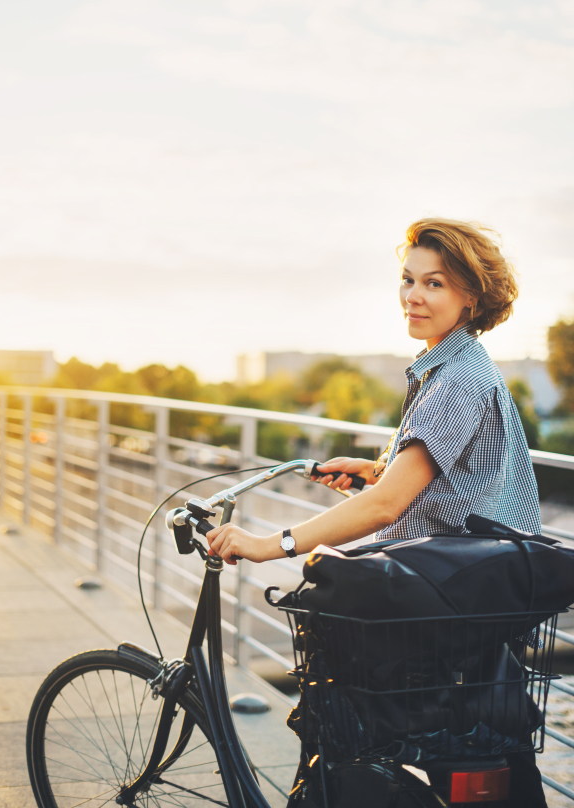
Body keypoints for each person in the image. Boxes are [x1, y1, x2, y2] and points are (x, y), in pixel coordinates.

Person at [207, 216, 546, 807]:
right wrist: (379, 473)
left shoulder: (458, 378)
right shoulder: (454, 367)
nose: (414, 296)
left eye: (435, 284)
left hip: (445, 612)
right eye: (408, 279)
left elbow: (390, 505)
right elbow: (428, 488)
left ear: (472, 296)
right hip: (471, 604)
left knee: (342, 726)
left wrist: (268, 544)